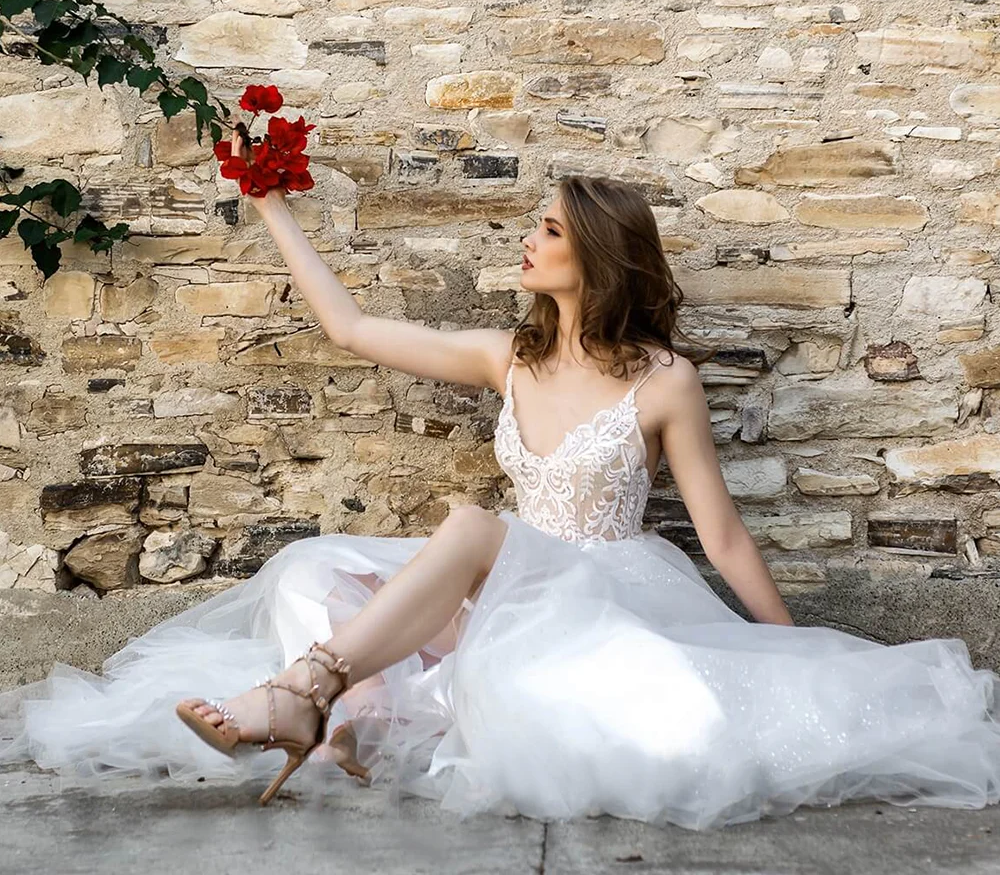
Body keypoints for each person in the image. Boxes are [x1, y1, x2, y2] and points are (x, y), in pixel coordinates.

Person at [2, 140, 999, 830]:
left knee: (474, 526)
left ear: (595, 257)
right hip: (500, 586)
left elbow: (723, 537)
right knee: (314, 567)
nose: (527, 240)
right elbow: (352, 330)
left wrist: (792, 657)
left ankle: (307, 695)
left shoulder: (663, 381)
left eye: (548, 230)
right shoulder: (503, 356)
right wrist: (272, 209)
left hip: (599, 591)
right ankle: (345, 705)